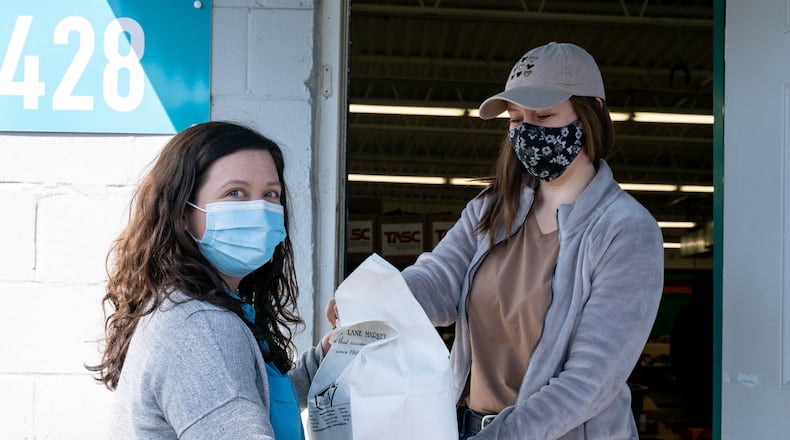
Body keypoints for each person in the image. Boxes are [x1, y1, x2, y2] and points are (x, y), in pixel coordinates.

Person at [400, 42, 664, 439]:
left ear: (591, 112)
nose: (527, 132)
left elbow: (589, 382)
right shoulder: (491, 209)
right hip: (470, 425)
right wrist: (378, 301)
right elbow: (439, 280)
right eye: (515, 119)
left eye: (544, 115)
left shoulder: (625, 231)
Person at [87, 121, 325, 439]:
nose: (258, 209)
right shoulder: (203, 327)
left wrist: (328, 357)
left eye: (271, 194)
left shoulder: (193, 305)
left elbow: (242, 402)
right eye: (235, 192)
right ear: (183, 212)